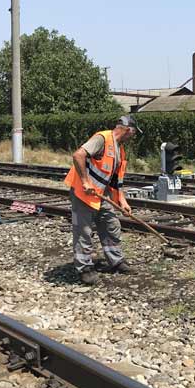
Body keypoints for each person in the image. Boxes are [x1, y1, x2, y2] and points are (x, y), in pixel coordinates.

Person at [64, 115, 140, 284]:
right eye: (133, 133)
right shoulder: (102, 139)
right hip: (83, 193)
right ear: (128, 130)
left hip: (101, 195)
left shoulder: (120, 150)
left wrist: (122, 201)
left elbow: (115, 181)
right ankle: (85, 268)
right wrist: (85, 181)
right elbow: (78, 155)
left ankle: (116, 261)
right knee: (83, 231)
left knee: (111, 224)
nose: (132, 137)